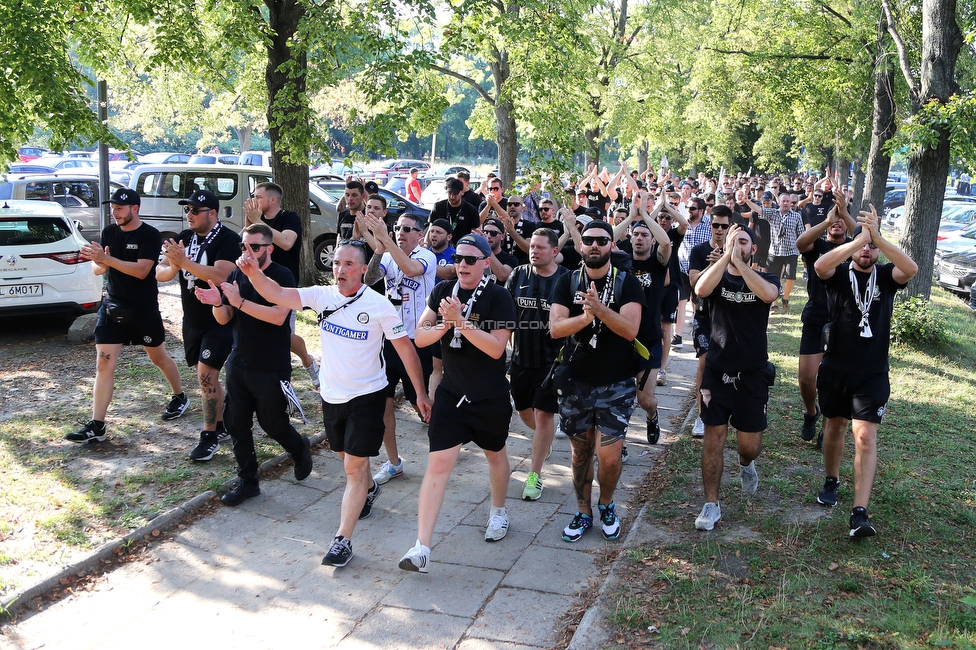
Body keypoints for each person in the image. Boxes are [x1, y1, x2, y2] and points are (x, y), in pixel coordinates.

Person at [240, 237, 431, 567]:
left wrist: (422, 392)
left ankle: (342, 540)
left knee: (353, 467)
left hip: (368, 395)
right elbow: (279, 294)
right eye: (336, 264)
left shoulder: (378, 304)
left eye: (347, 265)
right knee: (346, 457)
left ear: (362, 269)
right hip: (332, 395)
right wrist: (255, 274)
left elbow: (405, 349)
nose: (339, 270)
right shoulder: (321, 295)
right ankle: (370, 488)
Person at [399, 234, 516, 573]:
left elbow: (496, 348)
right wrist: (446, 323)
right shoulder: (441, 292)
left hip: (489, 396)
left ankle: (498, 510)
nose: (461, 265)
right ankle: (421, 547)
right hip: (451, 396)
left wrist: (461, 323)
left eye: (469, 259)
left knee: (496, 456)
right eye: (458, 259)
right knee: (437, 466)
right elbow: (420, 336)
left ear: (484, 262)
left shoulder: (498, 297)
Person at [813, 206, 917, 537]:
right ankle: (832, 478)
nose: (867, 251)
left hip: (872, 373)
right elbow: (819, 266)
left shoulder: (886, 277)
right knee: (835, 427)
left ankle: (860, 512)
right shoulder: (841, 273)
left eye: (872, 247)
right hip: (836, 368)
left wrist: (877, 237)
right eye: (863, 246)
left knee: (865, 436)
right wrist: (858, 238)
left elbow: (910, 268)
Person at [193, 224, 313, 507]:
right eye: (244, 246)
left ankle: (299, 448)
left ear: (269, 248)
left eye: (255, 247)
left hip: (271, 365)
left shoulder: (281, 275)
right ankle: (248, 481)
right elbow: (225, 318)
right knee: (236, 424)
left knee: (274, 425)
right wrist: (217, 304)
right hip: (239, 361)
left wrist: (240, 301)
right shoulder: (236, 274)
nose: (247, 251)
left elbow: (278, 316)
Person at [550, 221, 645, 543]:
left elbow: (631, 330)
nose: (594, 245)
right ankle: (582, 511)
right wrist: (585, 318)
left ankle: (606, 504)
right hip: (576, 383)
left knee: (610, 457)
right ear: (580, 246)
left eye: (601, 240)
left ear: (611, 245)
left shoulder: (627, 284)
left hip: (616, 383)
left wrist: (601, 310)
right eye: (588, 240)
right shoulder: (566, 282)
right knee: (580, 453)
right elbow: (555, 328)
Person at [66, 188, 186, 443]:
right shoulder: (110, 231)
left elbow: (143, 271)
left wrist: (107, 259)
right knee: (103, 363)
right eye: (113, 208)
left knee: (158, 357)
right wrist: (98, 260)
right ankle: (97, 424)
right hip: (112, 307)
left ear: (135, 208)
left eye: (119, 208)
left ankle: (179, 395)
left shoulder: (150, 235)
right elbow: (99, 269)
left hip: (143, 309)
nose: (114, 212)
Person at [693, 224, 779, 531]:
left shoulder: (765, 278)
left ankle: (746, 464)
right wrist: (725, 260)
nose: (736, 245)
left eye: (742, 241)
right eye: (732, 240)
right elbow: (701, 289)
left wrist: (740, 264)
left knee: (748, 446)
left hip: (752, 375)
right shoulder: (717, 277)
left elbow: (769, 295)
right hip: (716, 373)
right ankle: (711, 504)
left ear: (753, 249)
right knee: (713, 438)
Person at [156, 189, 241, 461]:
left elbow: (221, 273)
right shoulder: (184, 239)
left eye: (195, 210)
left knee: (206, 375)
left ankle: (209, 435)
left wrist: (185, 262)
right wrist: (174, 264)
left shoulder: (228, 238)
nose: (189, 215)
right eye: (187, 210)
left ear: (212, 213)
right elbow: (162, 273)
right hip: (191, 320)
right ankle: (227, 419)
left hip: (219, 317)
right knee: (208, 379)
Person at [361, 206, 437, 488]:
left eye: (407, 229)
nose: (401, 233)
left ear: (420, 234)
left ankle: (441, 455)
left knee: (426, 406)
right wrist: (379, 248)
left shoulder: (425, 255)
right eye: (398, 229)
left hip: (420, 341)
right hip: (391, 340)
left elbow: (412, 270)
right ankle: (394, 463)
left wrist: (388, 242)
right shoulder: (388, 255)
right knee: (384, 403)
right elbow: (369, 279)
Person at [505, 228, 569, 501]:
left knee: (544, 415)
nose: (534, 251)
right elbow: (506, 312)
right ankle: (543, 443)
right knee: (523, 413)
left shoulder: (565, 280)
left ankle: (535, 475)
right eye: (532, 246)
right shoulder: (518, 274)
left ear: (554, 251)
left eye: (541, 247)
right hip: (520, 360)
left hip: (551, 362)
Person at [244, 182, 320, 388]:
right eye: (253, 196)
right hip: (255, 282)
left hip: (284, 286)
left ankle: (308, 362)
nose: (254, 200)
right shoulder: (256, 220)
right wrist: (250, 221)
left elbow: (286, 242)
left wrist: (259, 222)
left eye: (258, 197)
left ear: (272, 200)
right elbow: (246, 244)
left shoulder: (289, 217)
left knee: (284, 336)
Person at [795, 191, 856, 445]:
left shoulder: (856, 248)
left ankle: (827, 430)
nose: (838, 222)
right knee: (807, 379)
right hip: (816, 316)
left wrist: (846, 214)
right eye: (835, 218)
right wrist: (826, 221)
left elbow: (870, 238)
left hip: (844, 322)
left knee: (833, 383)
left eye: (841, 219)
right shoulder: (818, 246)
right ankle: (812, 412)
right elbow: (800, 243)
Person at [625, 194, 672, 446]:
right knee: (619, 398)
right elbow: (609, 238)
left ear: (651, 240)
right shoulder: (622, 261)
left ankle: (652, 416)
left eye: (645, 235)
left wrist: (644, 217)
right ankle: (618, 442)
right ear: (631, 239)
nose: (640, 238)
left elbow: (665, 242)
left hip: (649, 338)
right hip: (621, 338)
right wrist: (633, 219)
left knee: (644, 399)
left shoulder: (658, 263)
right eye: (636, 235)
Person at [687, 206, 734, 445]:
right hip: (704, 316)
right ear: (710, 225)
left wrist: (726, 261)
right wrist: (712, 267)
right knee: (705, 362)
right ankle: (702, 415)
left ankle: (728, 411)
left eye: (724, 226)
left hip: (729, 318)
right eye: (716, 225)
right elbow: (694, 282)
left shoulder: (737, 250)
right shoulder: (699, 250)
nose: (719, 230)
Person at [744, 192, 803, 312]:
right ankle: (774, 303)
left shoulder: (796, 216)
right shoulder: (772, 213)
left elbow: (801, 233)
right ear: (779, 202)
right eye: (784, 201)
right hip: (775, 252)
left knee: (790, 276)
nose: (786, 203)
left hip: (791, 251)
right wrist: (747, 201)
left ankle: (785, 298)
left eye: (788, 201)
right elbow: (759, 210)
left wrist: (802, 247)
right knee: (772, 278)